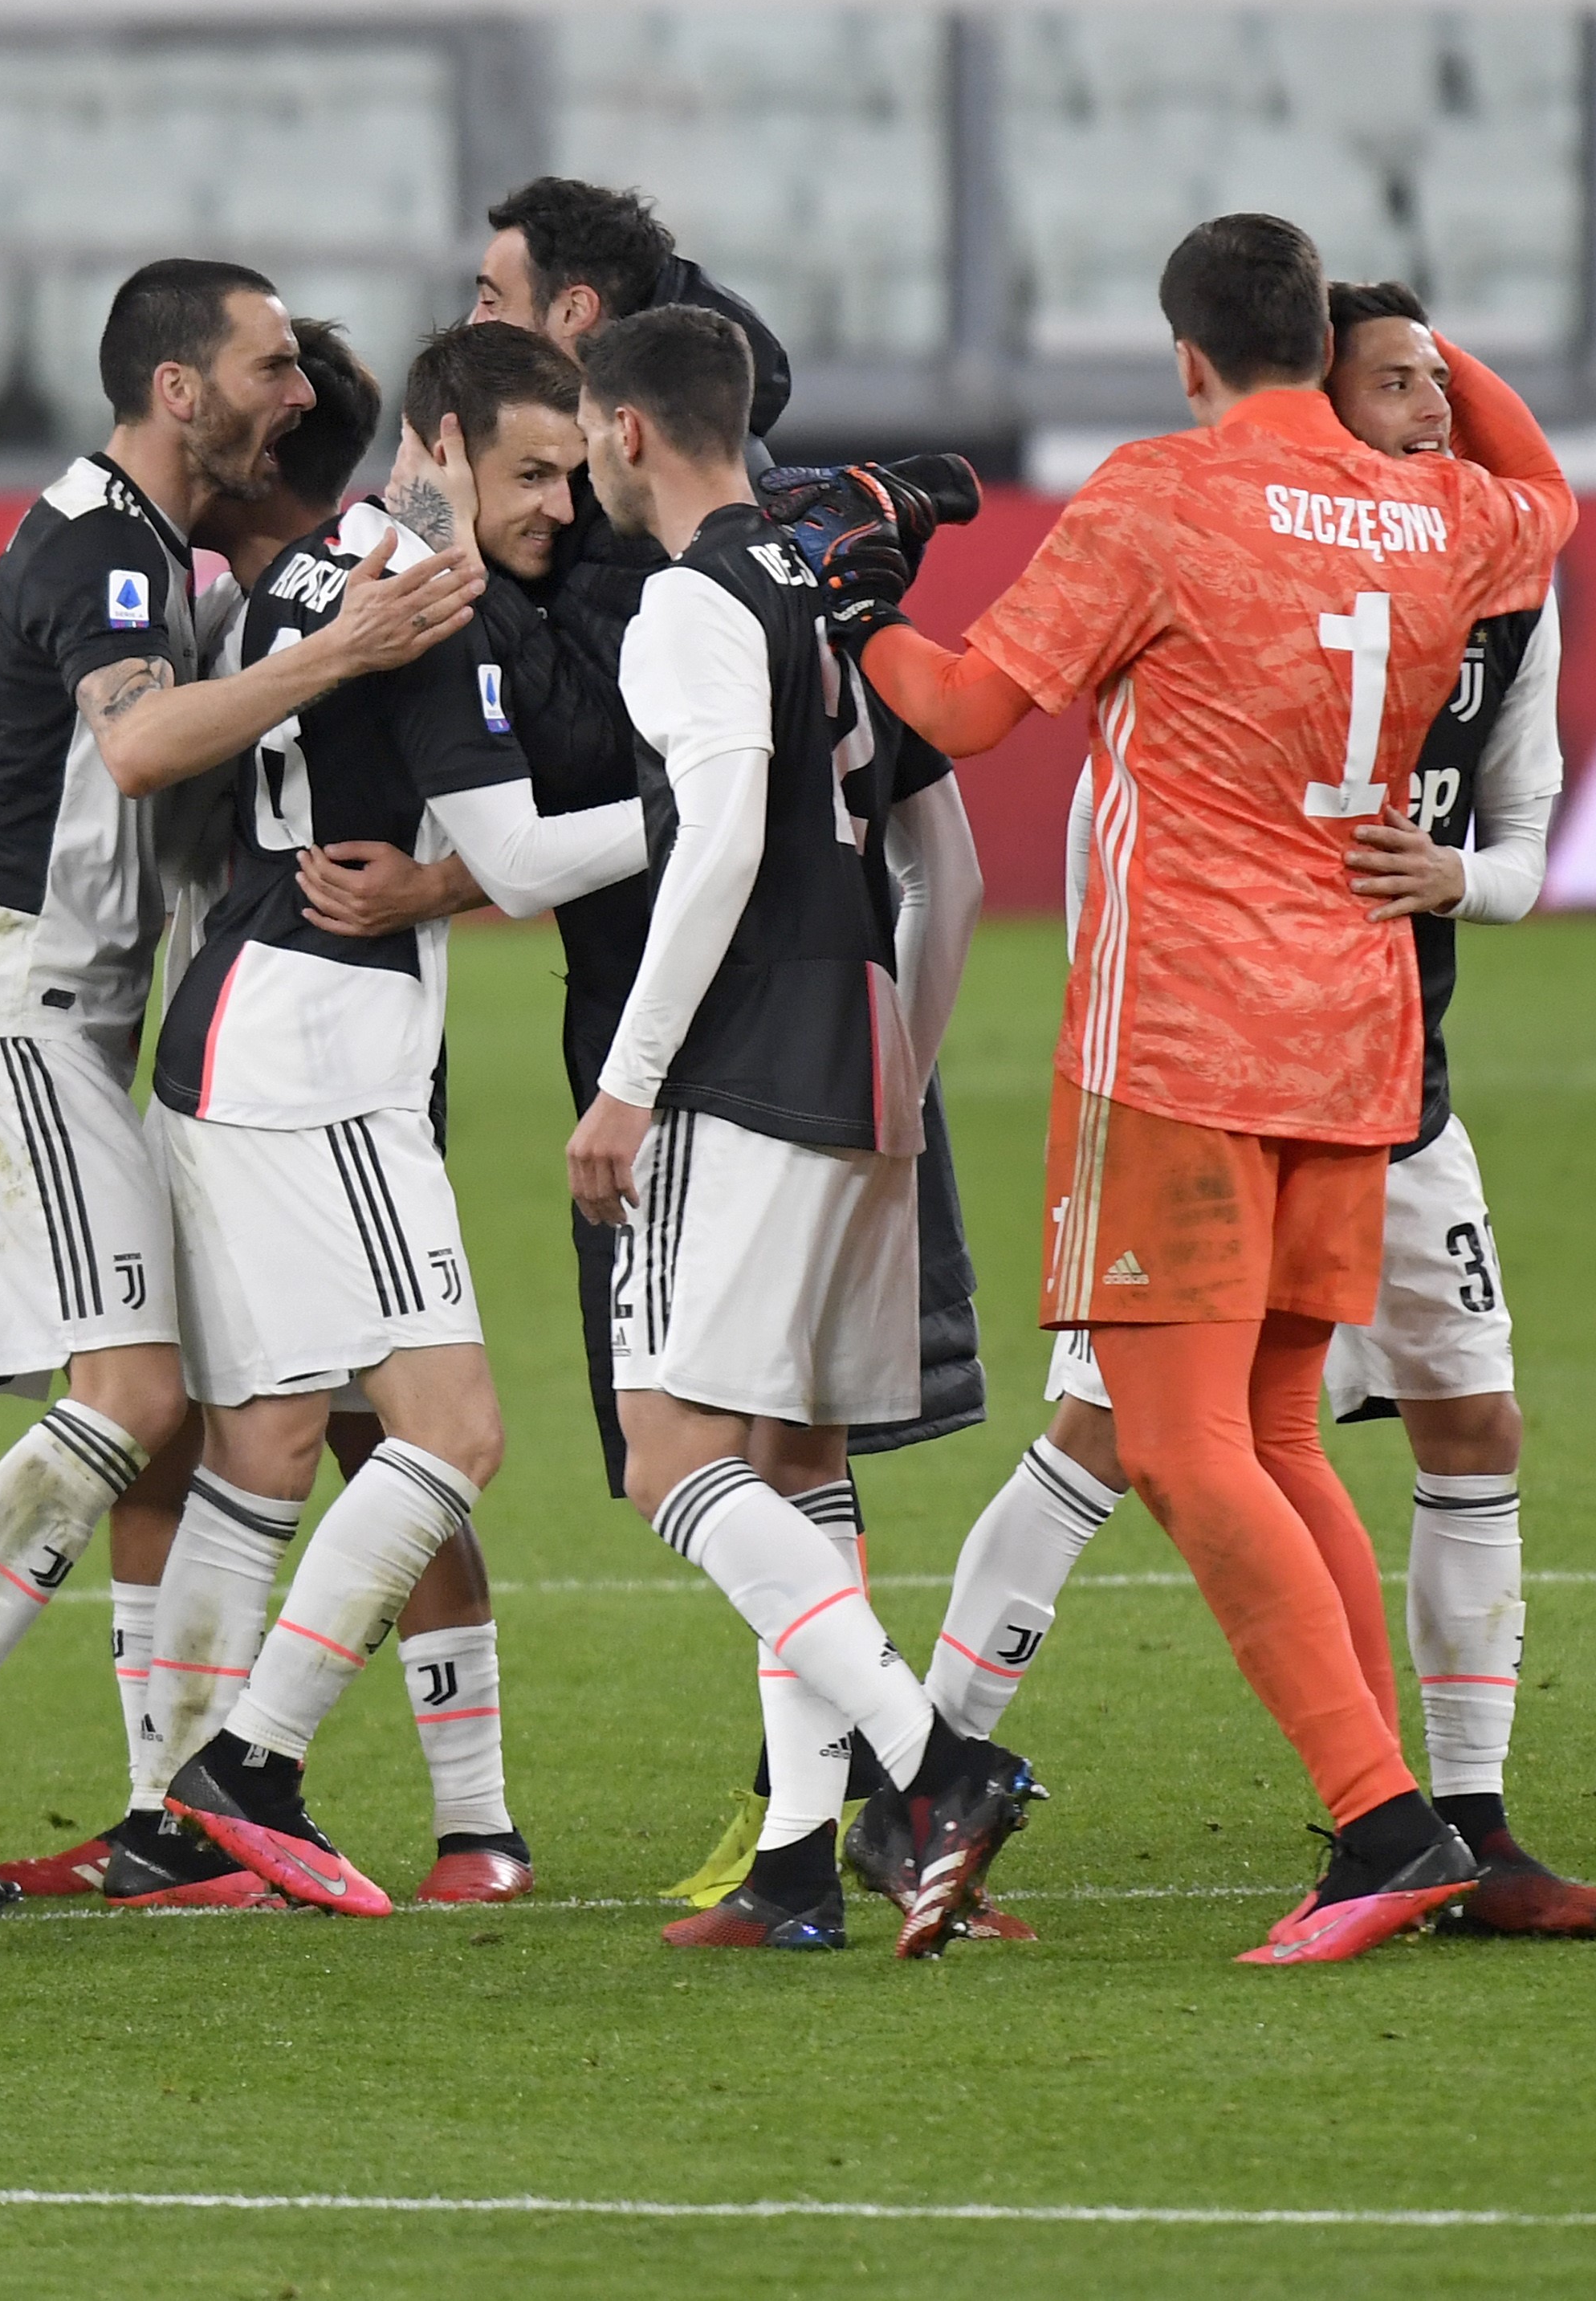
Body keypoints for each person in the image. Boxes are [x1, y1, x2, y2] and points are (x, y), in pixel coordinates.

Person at [831, 213, 1574, 1964]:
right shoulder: (1441, 506)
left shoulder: (1163, 492)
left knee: (1172, 1440)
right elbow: (1542, 485)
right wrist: (1439, 364)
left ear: (1185, 352)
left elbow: (955, 706)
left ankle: (1387, 1827)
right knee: (1275, 1428)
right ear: (1328, 344)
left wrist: (851, 614)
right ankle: (1387, 1807)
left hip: (1183, 1034)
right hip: (1360, 1034)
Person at [0, 259, 484, 1911]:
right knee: (139, 1388)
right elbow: (143, 747)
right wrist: (351, 643)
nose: (291, 391)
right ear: (176, 389)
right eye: (264, 366)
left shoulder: (149, 549)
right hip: (17, 997)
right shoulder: (103, 544)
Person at [130, 322, 651, 1917]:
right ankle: (251, 1764)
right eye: (528, 471)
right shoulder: (432, 604)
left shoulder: (315, 570)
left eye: (574, 470)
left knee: (275, 1435)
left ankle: (169, 1822)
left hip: (236, 1025)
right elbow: (521, 850)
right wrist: (711, 802)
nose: (561, 504)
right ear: (439, 442)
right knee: (452, 1430)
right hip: (320, 1055)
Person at [558, 303, 1028, 1959]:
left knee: (666, 1449)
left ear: (625, 432)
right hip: (868, 1040)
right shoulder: (835, 597)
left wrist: (628, 1075)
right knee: (795, 1450)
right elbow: (949, 868)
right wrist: (911, 1048)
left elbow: (723, 832)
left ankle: (930, 1764)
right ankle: (794, 1863)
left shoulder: (687, 601)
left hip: (744, 1045)